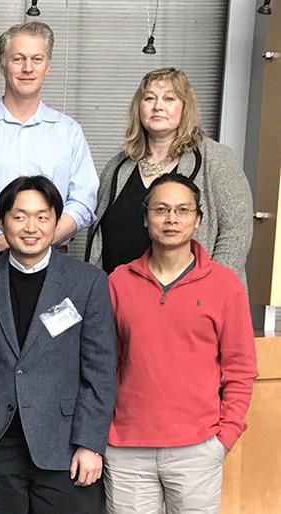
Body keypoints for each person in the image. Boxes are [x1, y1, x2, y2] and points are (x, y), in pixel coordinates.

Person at [0, 176, 116, 513]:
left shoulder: (87, 282)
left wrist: (90, 444)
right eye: (19, 216)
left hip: (64, 445)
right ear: (2, 222)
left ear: (57, 222)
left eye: (42, 216)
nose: (31, 227)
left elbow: (100, 371)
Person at [103, 173, 257, 513]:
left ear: (198, 219)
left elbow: (241, 370)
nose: (171, 218)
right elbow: (103, 364)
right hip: (127, 449)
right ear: (145, 219)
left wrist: (224, 438)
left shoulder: (225, 286)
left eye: (183, 210)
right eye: (161, 209)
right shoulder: (118, 283)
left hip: (197, 448)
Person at [0, 21, 98, 264]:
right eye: (18, 59)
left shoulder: (69, 132)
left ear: (47, 67)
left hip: (54, 257)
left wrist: (43, 240)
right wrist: (2, 239)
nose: (28, 68)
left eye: (37, 59)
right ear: (2, 66)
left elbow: (84, 198)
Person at [86, 67, 253, 283]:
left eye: (169, 98)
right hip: (120, 300)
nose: (158, 106)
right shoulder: (118, 166)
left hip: (192, 301)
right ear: (139, 107)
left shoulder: (216, 159)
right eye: (149, 98)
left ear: (185, 107)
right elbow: (97, 239)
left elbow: (236, 234)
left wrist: (210, 288)